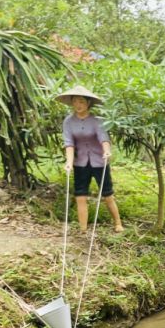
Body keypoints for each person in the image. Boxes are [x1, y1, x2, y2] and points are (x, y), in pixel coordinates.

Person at [58, 86, 123, 233]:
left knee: (107, 194)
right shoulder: (68, 121)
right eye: (74, 101)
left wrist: (107, 152)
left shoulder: (97, 120)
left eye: (81, 101)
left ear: (88, 103)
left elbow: (103, 138)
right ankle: (83, 229)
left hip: (100, 162)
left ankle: (118, 223)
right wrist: (69, 162)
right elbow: (69, 143)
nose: (78, 105)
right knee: (80, 195)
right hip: (80, 163)